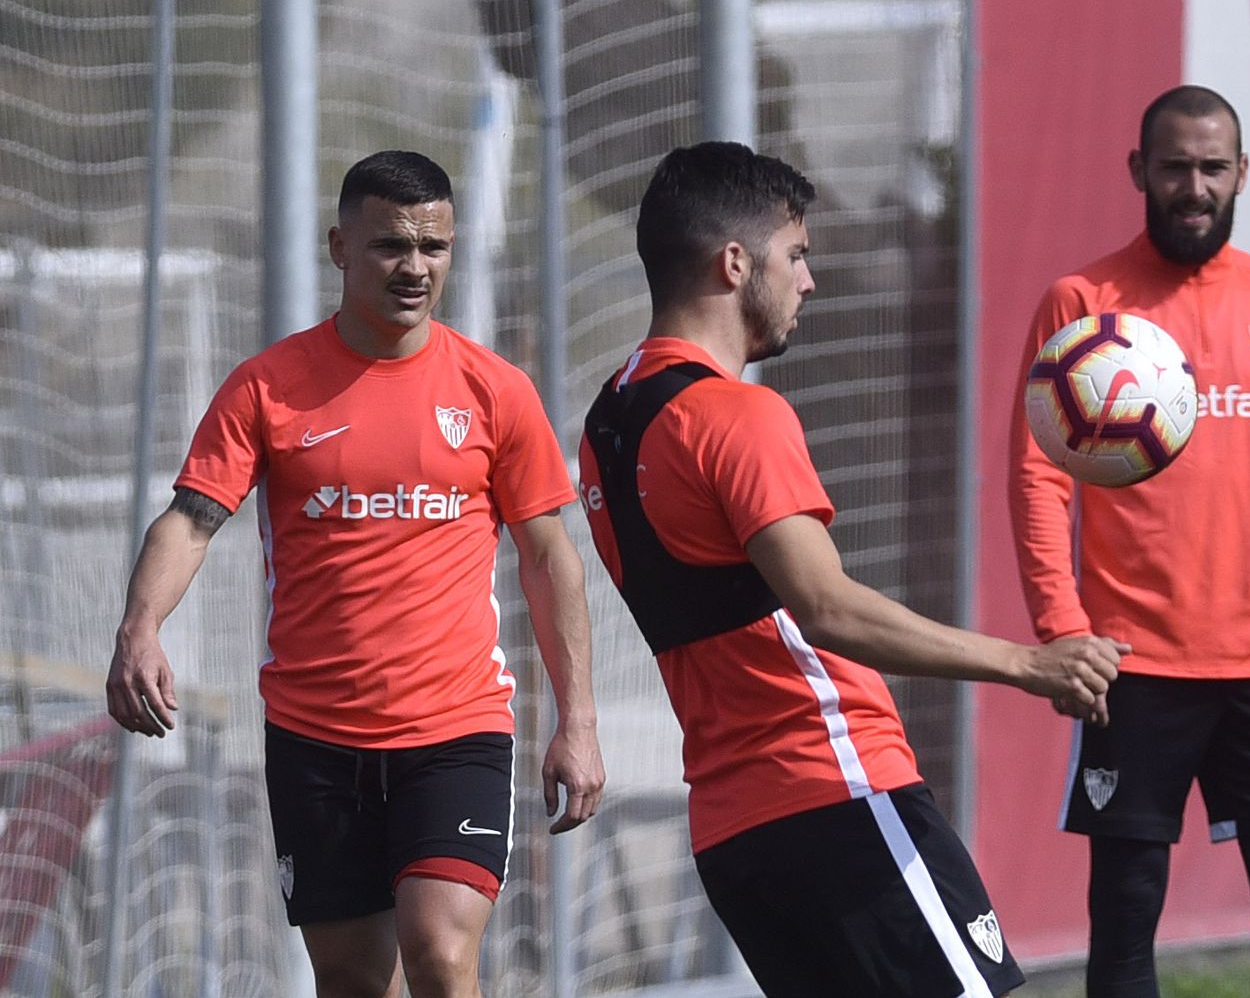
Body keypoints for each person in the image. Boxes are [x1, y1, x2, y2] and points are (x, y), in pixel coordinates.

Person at [576, 140, 1126, 998]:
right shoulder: (735, 415)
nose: (809, 280)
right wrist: (1027, 662)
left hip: (734, 833)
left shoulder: (606, 423)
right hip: (835, 791)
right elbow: (826, 607)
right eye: (795, 255)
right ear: (733, 262)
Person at [106, 150, 605, 998]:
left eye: (434, 247)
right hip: (315, 737)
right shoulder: (268, 388)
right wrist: (141, 626)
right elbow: (191, 520)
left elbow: (550, 556)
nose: (415, 267)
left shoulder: (495, 392)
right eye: (390, 246)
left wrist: (578, 718)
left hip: (456, 731)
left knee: (441, 950)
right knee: (348, 977)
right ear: (340, 246)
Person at [1008, 86, 1250, 997]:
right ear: (1140, 172)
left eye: (1213, 167)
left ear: (1243, 173)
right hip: (1132, 666)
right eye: (1175, 167)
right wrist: (1062, 629)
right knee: (1126, 910)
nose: (1194, 187)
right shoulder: (1083, 304)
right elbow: (1039, 479)